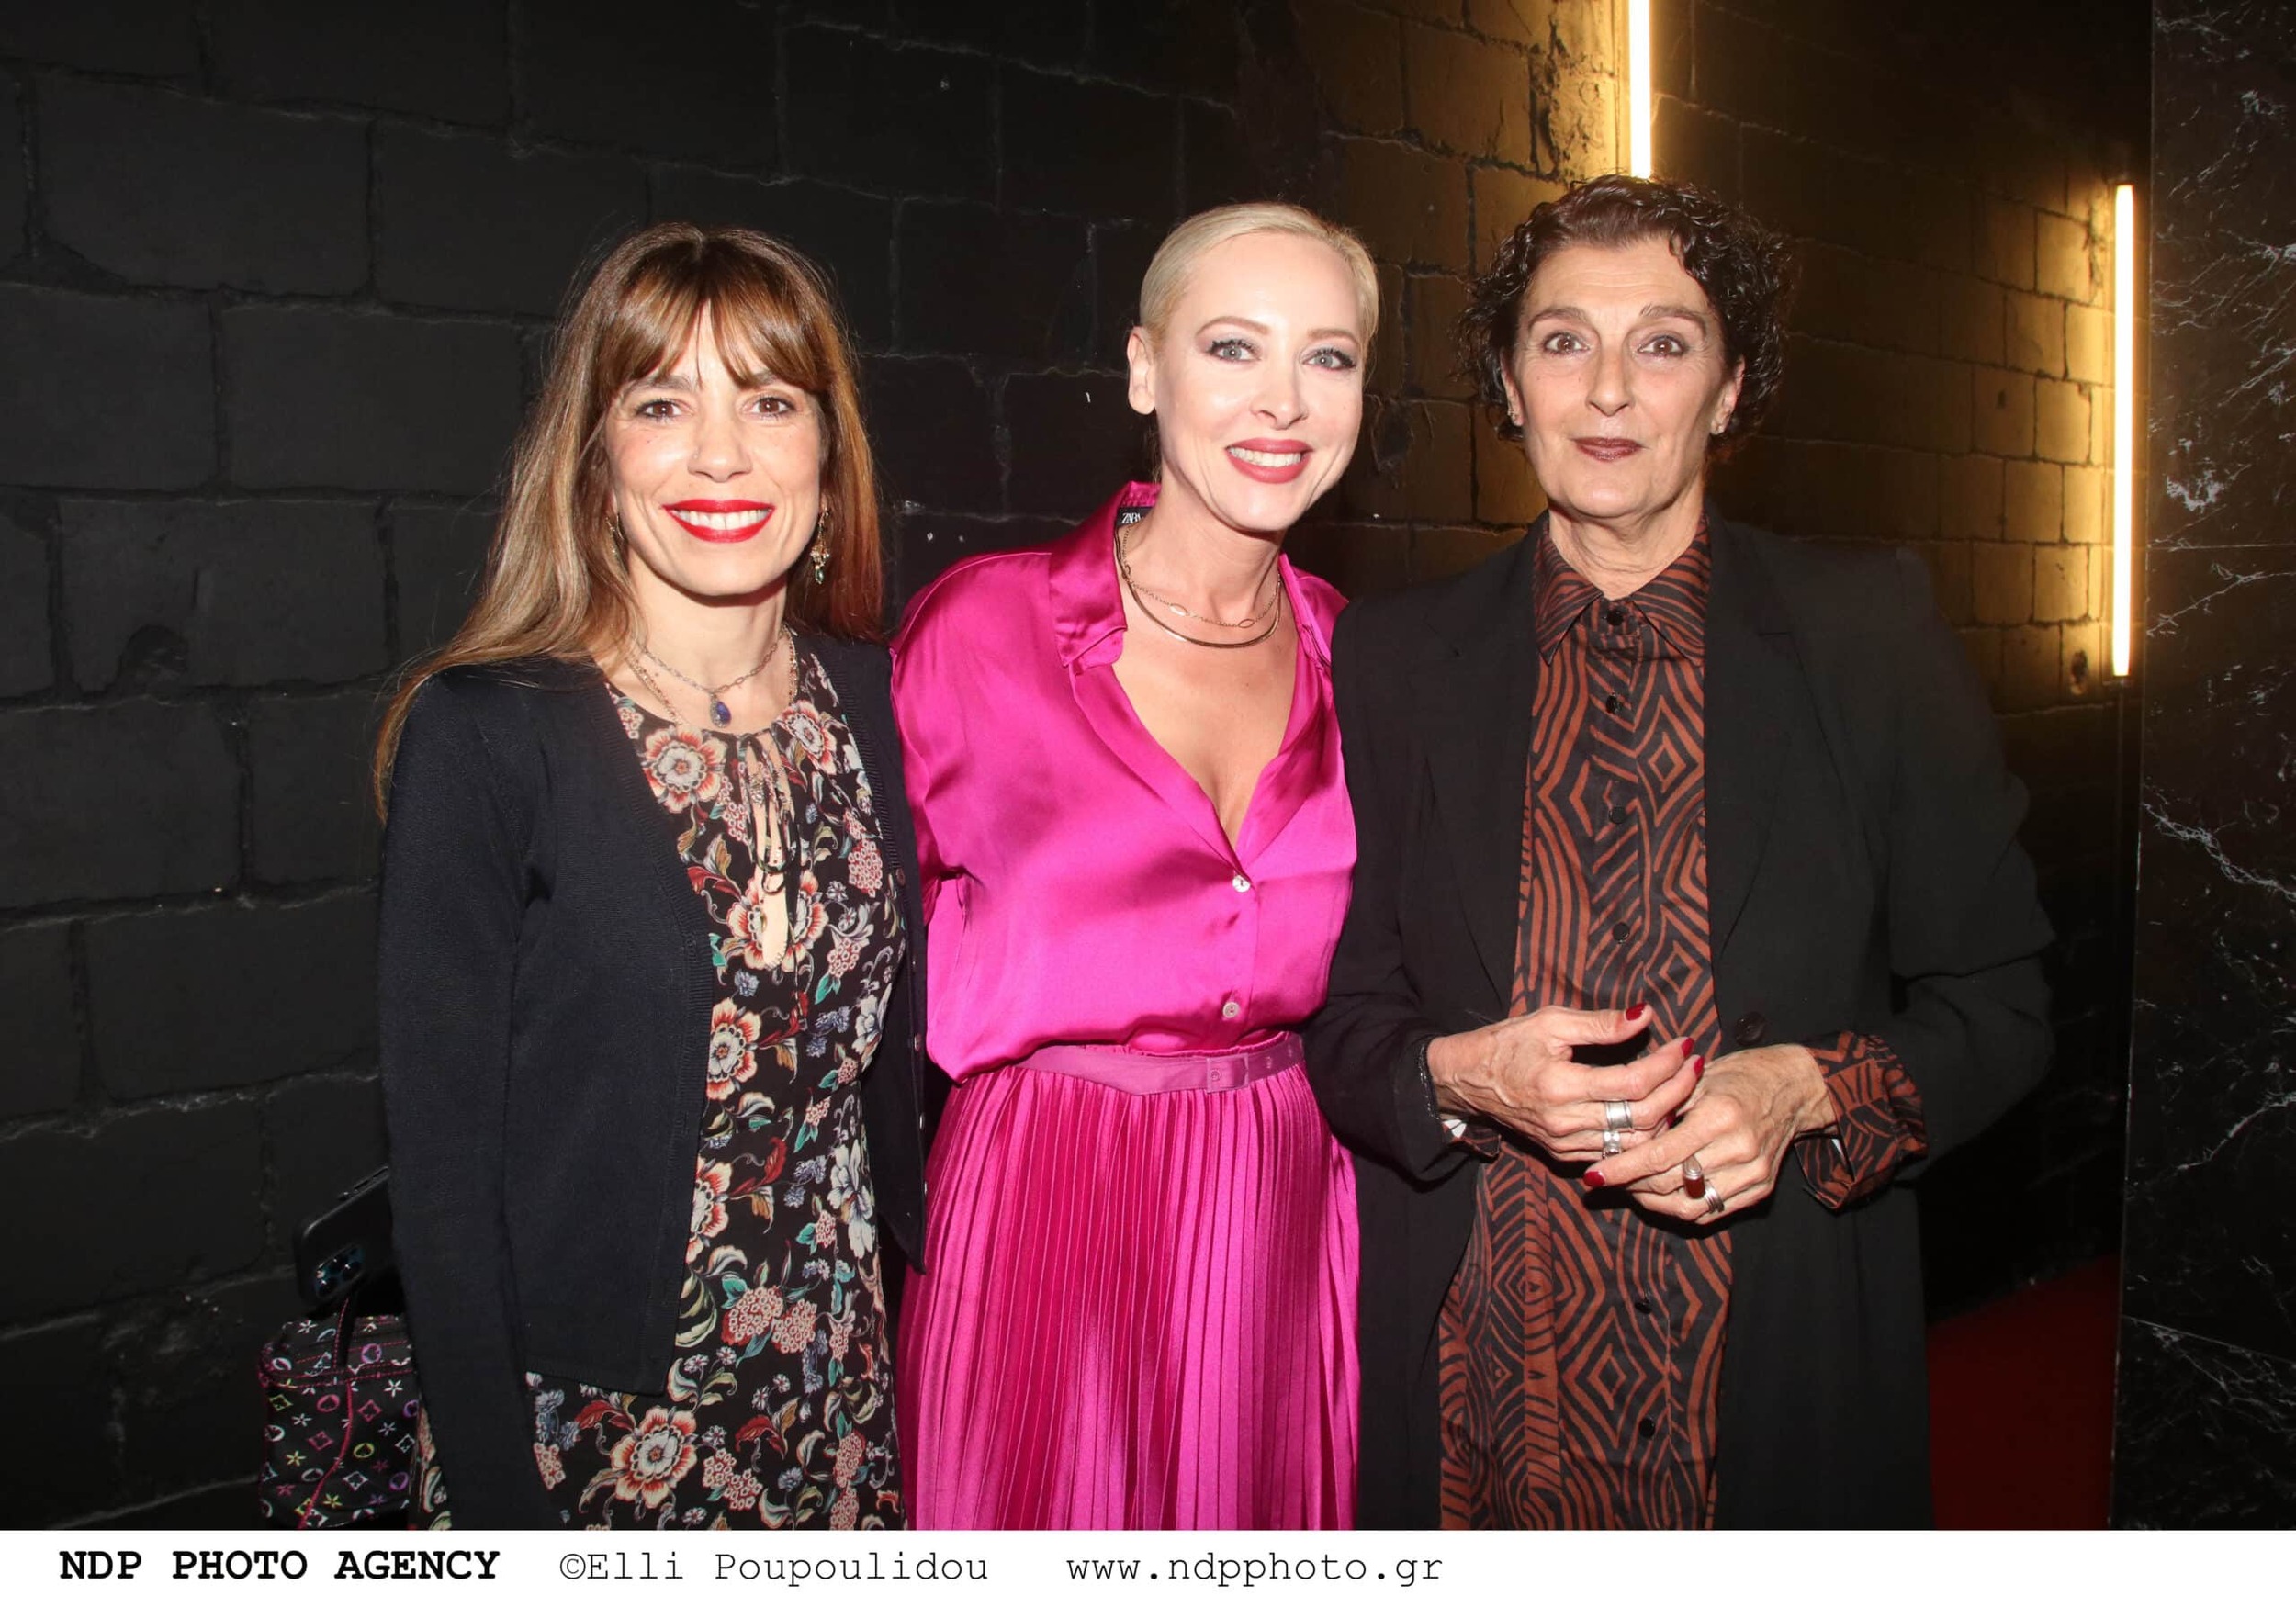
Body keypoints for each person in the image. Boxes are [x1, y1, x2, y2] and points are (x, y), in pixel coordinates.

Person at [1304, 174, 2054, 1528]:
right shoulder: (1394, 659)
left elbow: (2001, 1005)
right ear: (1510, 385)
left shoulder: (1867, 636)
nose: (1607, 390)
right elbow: (1345, 1022)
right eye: (1562, 341)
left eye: (1662, 343)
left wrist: (1806, 1090)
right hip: (1481, 1400)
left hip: (1773, 1373)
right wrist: (1464, 1078)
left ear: (1729, 388)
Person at [373, 223, 926, 1529]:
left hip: (836, 1387)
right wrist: (500, 1508)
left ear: (826, 449)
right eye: (662, 403)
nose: (721, 453)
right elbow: (440, 1182)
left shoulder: (871, 698)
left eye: (770, 401)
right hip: (590, 1425)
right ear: (596, 456)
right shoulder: (487, 734)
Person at [889, 203, 1378, 1529]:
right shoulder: (981, 630)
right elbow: (852, 957)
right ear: (1146, 370)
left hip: (1280, 1212)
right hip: (1038, 1203)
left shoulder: (1365, 658)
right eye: (1233, 347)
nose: (1284, 400)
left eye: (1328, 357)